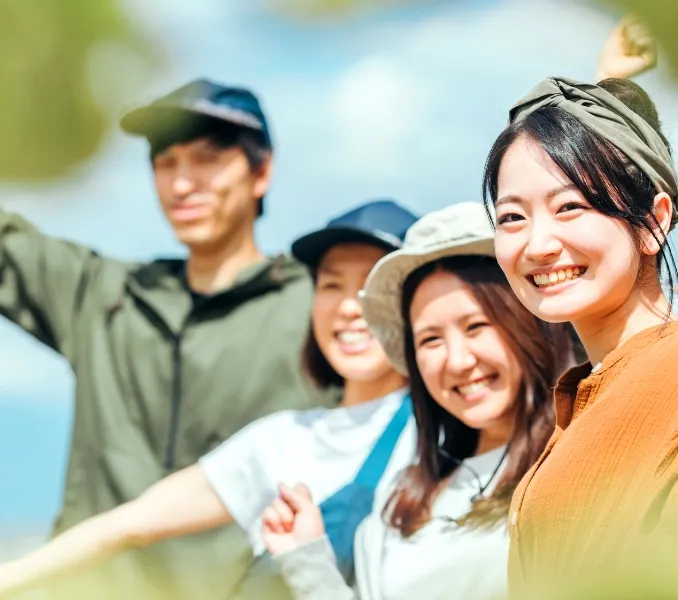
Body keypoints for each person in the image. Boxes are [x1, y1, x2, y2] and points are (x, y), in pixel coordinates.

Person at [0, 78, 339, 600]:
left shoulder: (321, 308)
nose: (182, 185)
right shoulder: (99, 293)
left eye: (206, 159)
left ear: (261, 171)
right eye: (165, 164)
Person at [0, 199, 420, 600]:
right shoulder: (284, 440)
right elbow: (125, 526)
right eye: (331, 284)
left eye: (372, 286)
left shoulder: (443, 437)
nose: (349, 307)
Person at [482, 75, 678, 597]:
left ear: (654, 222)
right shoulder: (583, 395)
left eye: (570, 207)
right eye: (512, 217)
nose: (537, 244)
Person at [257, 203, 577, 600]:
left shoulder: (578, 470)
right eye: (430, 339)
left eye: (476, 326)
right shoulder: (400, 503)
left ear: (530, 322)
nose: (458, 360)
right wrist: (307, 563)